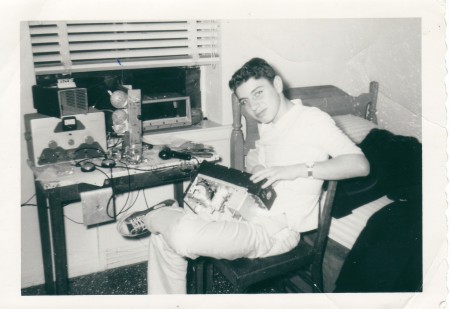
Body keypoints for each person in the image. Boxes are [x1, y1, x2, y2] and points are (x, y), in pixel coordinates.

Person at [117, 57, 370, 294]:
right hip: (244, 211)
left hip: (277, 231)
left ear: (278, 85)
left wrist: (296, 170)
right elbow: (261, 163)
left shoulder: (312, 119)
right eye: (245, 101)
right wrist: (258, 168)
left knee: (182, 237)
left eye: (258, 93)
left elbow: (360, 165)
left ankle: (158, 214)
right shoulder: (269, 125)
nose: (254, 106)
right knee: (163, 239)